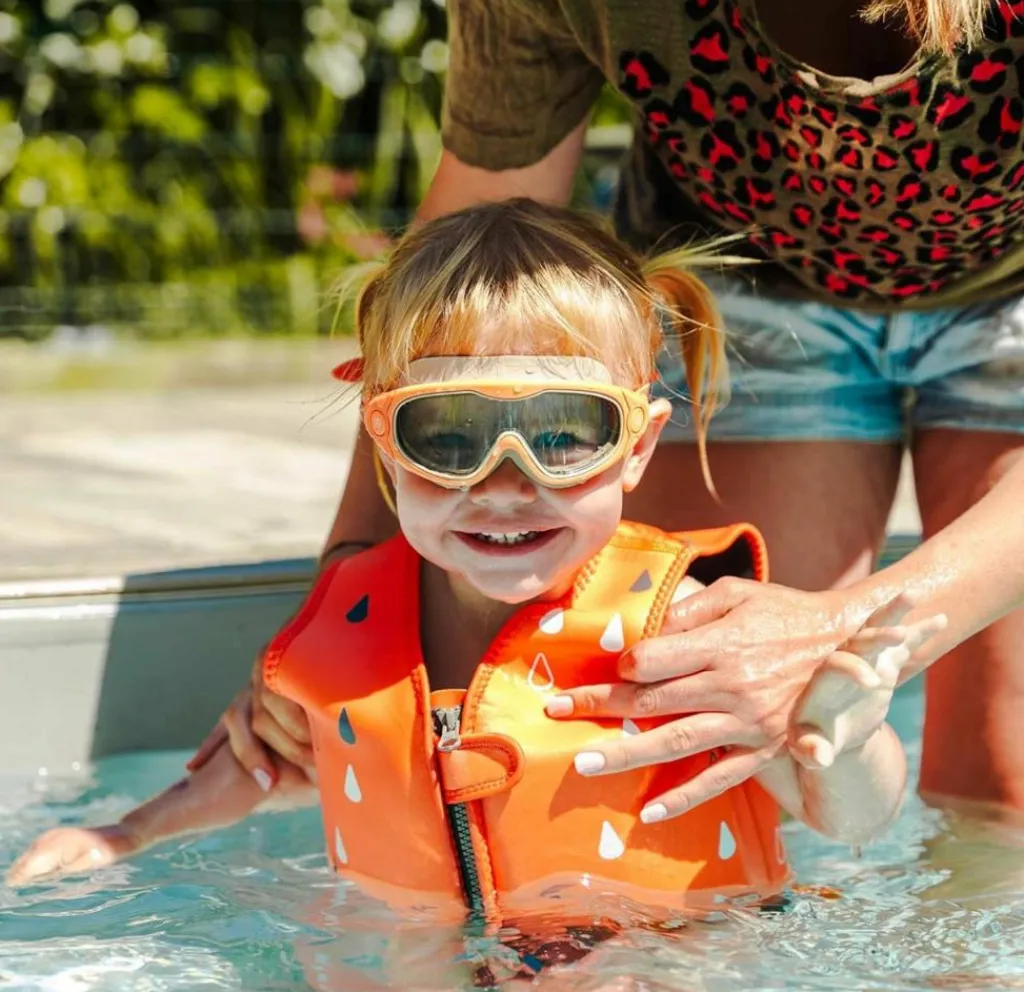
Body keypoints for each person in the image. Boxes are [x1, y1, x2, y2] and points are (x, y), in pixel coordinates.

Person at [192, 0, 1024, 824]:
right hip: (744, 287)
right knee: (718, 750)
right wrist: (341, 593)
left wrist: (841, 629)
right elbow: (465, 256)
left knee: (1001, 799)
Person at [7, 203, 941, 927]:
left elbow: (850, 819)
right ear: (382, 442)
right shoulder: (350, 624)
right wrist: (121, 835)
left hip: (669, 959)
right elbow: (251, 773)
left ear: (638, 448)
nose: (504, 485)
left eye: (564, 434)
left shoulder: (685, 629)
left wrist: (850, 740)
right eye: (447, 435)